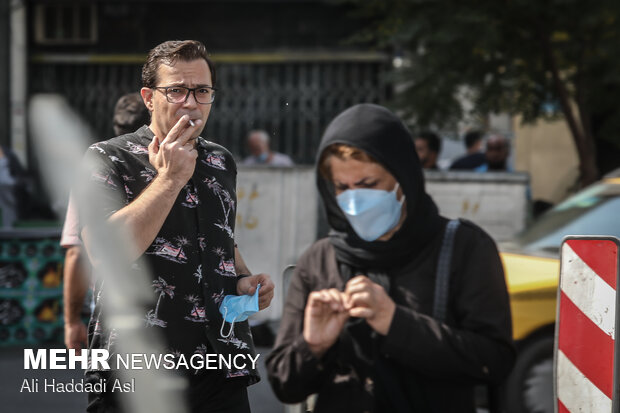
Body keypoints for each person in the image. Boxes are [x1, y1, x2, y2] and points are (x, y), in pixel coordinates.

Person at [266, 104, 514, 412]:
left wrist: (396, 322)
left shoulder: (464, 248)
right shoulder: (320, 260)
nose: (355, 199)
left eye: (369, 185)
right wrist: (313, 346)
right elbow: (284, 385)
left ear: (403, 178)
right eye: (343, 187)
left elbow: (494, 361)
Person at [76, 40, 274, 413]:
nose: (190, 102)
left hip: (220, 360)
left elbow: (218, 238)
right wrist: (169, 180)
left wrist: (244, 279)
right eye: (177, 90)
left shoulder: (220, 160)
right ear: (149, 98)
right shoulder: (107, 158)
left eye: (201, 91)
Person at [62, 92, 150, 352]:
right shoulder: (176, 166)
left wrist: (71, 321)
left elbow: (76, 254)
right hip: (181, 314)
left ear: (115, 126)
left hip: (113, 313)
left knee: (114, 389)